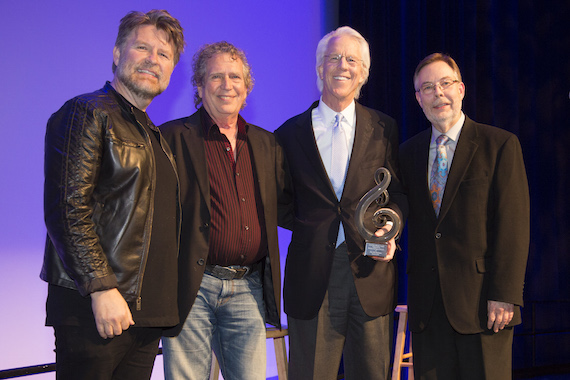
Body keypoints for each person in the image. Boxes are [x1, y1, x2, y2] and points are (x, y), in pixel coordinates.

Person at [40, 10, 185, 380]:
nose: (153, 59)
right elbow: (67, 209)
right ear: (118, 53)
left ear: (171, 71)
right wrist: (101, 288)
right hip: (95, 311)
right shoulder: (87, 112)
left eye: (164, 55)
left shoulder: (154, 136)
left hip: (142, 316)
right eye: (142, 47)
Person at [274, 26, 406, 379]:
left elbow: (398, 194)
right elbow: (279, 201)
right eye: (333, 57)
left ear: (363, 72)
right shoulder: (288, 134)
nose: (342, 65)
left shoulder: (384, 128)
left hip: (370, 271)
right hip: (312, 274)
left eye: (351, 59)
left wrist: (390, 225)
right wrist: (311, 225)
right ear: (320, 68)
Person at [160, 41, 288, 380]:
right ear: (199, 87)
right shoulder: (170, 138)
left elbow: (287, 205)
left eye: (235, 77)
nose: (227, 85)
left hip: (248, 287)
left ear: (247, 89)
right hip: (191, 287)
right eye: (216, 76)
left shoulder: (266, 143)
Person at [399, 53, 530, 379]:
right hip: (429, 307)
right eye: (427, 88)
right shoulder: (407, 153)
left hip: (484, 306)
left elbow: (513, 225)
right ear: (418, 98)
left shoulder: (499, 145)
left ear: (461, 89)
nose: (438, 93)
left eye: (445, 84)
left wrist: (504, 294)